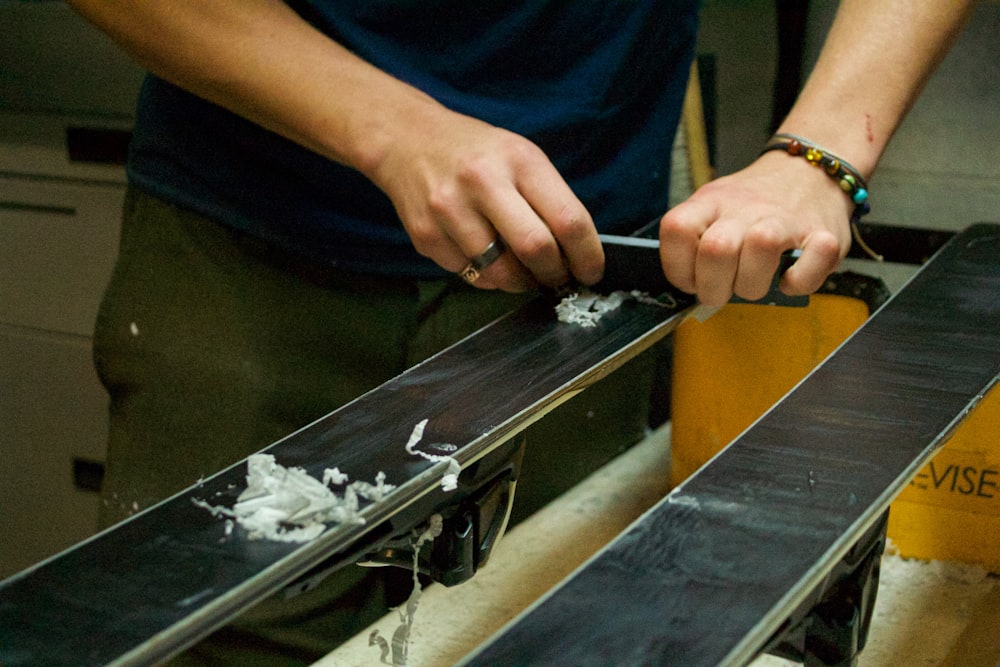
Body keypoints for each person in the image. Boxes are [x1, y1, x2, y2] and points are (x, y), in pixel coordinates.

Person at [66, 1, 974, 664]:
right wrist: (390, 128)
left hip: (585, 271)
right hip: (245, 236)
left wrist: (819, 150)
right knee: (213, 636)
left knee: (557, 627)